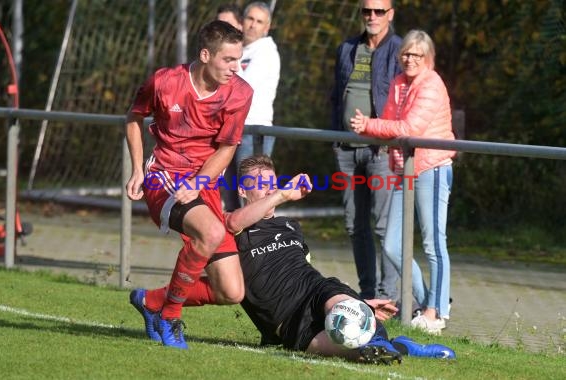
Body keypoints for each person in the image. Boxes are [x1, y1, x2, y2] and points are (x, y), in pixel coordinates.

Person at [131, 155, 456, 362]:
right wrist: (157, 298)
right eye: (261, 185)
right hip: (287, 321)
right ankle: (397, 345)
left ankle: (390, 339)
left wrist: (360, 304)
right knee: (357, 350)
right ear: (244, 192)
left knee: (342, 304)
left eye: (272, 183)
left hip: (317, 291)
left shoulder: (290, 224)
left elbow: (305, 270)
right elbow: (225, 245)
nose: (269, 189)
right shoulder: (228, 226)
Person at [125, 20, 253, 349]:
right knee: (210, 233)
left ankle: (151, 301)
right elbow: (134, 116)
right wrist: (138, 168)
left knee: (231, 291)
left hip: (203, 183)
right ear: (205, 54)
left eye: (239, 60)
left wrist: (198, 182)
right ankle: (170, 317)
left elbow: (227, 148)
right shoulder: (165, 81)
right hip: (163, 175)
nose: (235, 68)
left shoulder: (240, 93)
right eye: (229, 60)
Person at [350, 30, 456, 334]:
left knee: (433, 244)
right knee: (393, 245)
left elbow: (410, 129)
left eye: (417, 55)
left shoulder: (432, 86)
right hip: (403, 170)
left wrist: (369, 125)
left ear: (429, 59)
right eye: (406, 54)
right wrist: (375, 128)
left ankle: (436, 313)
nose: (410, 60)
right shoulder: (398, 84)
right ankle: (427, 303)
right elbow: (389, 124)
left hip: (431, 168)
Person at [331, 0, 402, 303]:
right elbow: (336, 94)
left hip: (380, 151)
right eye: (366, 11)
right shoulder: (347, 48)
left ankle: (389, 297)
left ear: (390, 14)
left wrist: (388, 135)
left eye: (378, 11)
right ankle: (368, 294)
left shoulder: (400, 50)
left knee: (385, 225)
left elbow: (403, 99)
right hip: (347, 151)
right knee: (354, 225)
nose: (371, 17)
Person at [222, 1, 281, 211]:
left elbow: (243, 88)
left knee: (252, 199)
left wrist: (224, 61)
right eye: (250, 19)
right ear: (242, 21)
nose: (253, 25)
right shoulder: (243, 51)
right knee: (230, 198)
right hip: (231, 129)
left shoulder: (266, 51)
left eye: (259, 21)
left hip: (253, 131)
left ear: (267, 27)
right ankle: (235, 244)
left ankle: (255, 243)